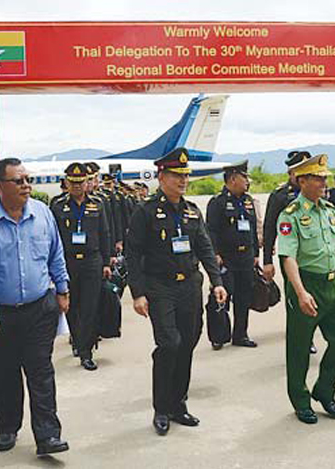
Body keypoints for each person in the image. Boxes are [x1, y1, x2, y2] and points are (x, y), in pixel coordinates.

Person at [0, 158, 70, 456]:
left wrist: (62, 288)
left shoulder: (43, 214)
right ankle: (7, 427)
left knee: (41, 371)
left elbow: (55, 254)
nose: (26, 186)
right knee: (4, 372)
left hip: (39, 308)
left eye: (27, 180)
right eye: (18, 181)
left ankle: (48, 436)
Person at [125, 147, 227, 436]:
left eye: (185, 176)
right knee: (169, 343)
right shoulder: (145, 211)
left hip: (190, 286)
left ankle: (178, 403)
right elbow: (133, 254)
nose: (182, 181)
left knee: (188, 342)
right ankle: (161, 408)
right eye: (176, 175)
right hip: (160, 287)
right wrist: (137, 293)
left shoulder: (192, 211)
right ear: (161, 176)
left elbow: (206, 249)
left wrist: (217, 282)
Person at [277, 154, 335, 424]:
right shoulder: (291, 215)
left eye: (325, 177)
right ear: (302, 181)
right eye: (318, 178)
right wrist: (300, 292)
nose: (325, 182)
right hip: (307, 285)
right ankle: (300, 400)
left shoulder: (329, 209)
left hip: (332, 285)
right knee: (299, 349)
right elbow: (288, 257)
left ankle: (324, 390)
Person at [51, 163, 112, 370]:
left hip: (91, 261)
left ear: (87, 183)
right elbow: (53, 239)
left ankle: (86, 351)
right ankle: (78, 341)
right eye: (73, 182)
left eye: (81, 182)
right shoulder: (58, 206)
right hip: (68, 261)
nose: (77, 186)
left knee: (90, 306)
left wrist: (106, 261)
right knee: (72, 306)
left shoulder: (97, 205)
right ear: (67, 183)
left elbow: (104, 234)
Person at [263, 150, 317, 354]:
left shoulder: (317, 193)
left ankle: (309, 336)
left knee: (316, 298)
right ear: (291, 172)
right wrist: (267, 261)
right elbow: (269, 229)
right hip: (291, 258)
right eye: (298, 170)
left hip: (315, 256)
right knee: (296, 299)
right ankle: (299, 338)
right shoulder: (280, 196)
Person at [206, 160, 260, 350]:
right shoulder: (218, 202)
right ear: (233, 179)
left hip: (246, 258)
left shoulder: (248, 201)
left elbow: (253, 229)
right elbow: (211, 231)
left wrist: (256, 253)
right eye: (244, 178)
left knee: (244, 297)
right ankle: (219, 336)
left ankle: (240, 334)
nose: (247, 182)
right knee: (221, 297)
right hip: (226, 258)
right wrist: (215, 254)